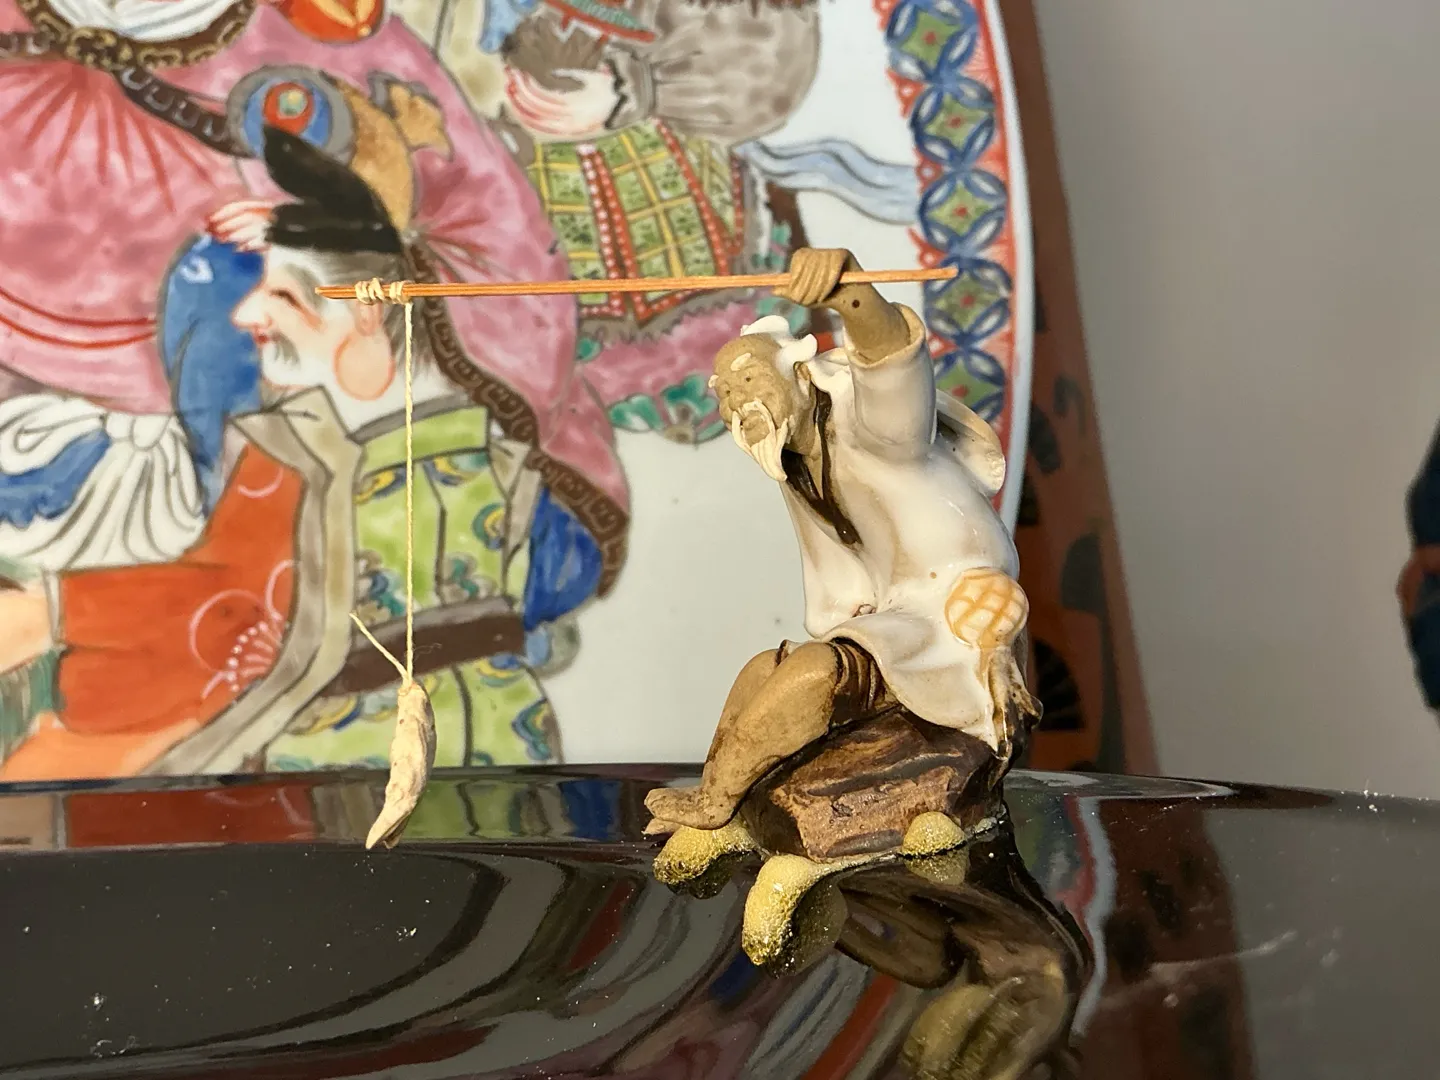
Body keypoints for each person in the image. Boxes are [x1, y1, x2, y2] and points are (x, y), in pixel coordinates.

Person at [0, 127, 606, 779]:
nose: (248, 315)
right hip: (365, 761)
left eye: (282, 295)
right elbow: (230, 603)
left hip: (418, 762)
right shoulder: (301, 454)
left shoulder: (477, 470)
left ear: (368, 313)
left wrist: (53, 612)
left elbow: (234, 605)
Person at [645, 248, 1040, 831]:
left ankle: (716, 804)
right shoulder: (795, 463)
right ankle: (715, 794)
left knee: (814, 673)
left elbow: (890, 363)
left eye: (750, 380)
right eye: (726, 394)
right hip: (897, 611)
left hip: (955, 606)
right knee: (763, 669)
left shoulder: (872, 426)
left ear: (800, 375)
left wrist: (849, 295)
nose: (738, 403)